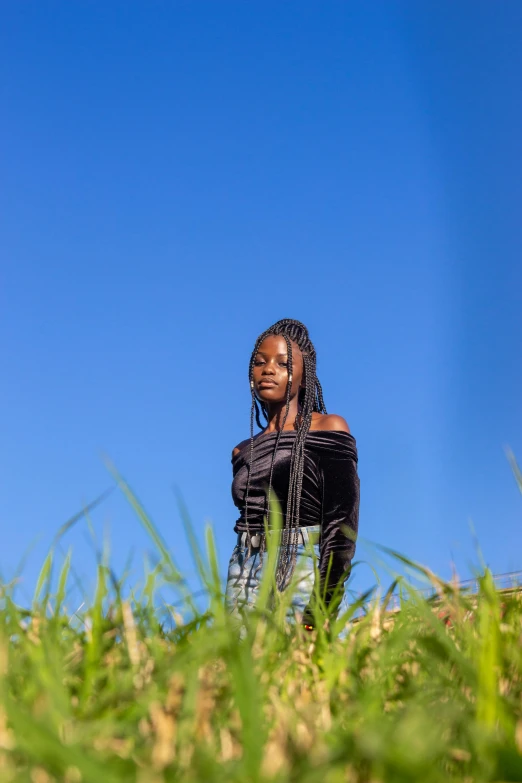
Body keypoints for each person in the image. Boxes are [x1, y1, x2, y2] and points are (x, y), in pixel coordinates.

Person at [226, 318, 360, 630]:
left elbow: (342, 525)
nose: (268, 369)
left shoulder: (328, 429)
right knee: (241, 671)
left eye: (282, 363)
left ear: (303, 376)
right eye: (260, 362)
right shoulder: (242, 450)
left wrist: (321, 607)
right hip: (244, 565)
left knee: (298, 667)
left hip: (300, 563)